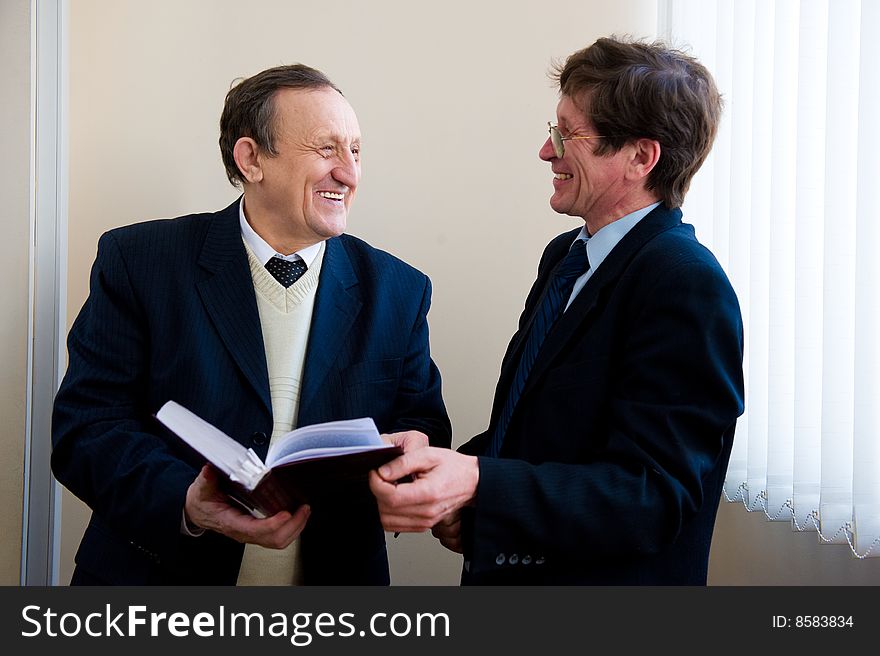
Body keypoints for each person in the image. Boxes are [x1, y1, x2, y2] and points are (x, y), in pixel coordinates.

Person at [51, 64, 451, 585]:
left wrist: (412, 459)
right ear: (252, 158)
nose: (349, 173)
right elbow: (87, 428)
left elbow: (424, 426)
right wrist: (189, 503)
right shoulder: (139, 261)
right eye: (326, 149)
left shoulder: (400, 289)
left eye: (355, 151)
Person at [370, 37, 744, 584]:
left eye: (567, 135)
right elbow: (536, 429)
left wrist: (477, 484)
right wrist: (437, 472)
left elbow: (654, 495)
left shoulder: (686, 285)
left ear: (641, 157)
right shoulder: (564, 258)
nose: (547, 152)